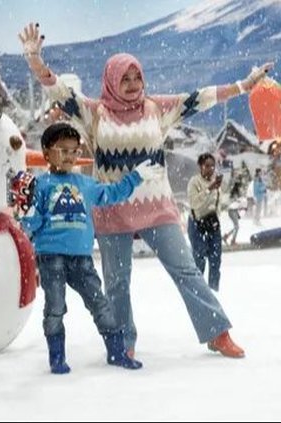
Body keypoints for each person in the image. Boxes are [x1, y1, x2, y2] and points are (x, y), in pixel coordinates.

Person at [18, 22, 274, 359]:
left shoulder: (157, 107)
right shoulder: (95, 113)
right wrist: (36, 60)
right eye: (124, 78)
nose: (132, 84)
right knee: (118, 283)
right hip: (112, 208)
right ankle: (123, 342)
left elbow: (201, 98)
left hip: (157, 207)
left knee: (186, 269)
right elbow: (58, 92)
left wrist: (244, 85)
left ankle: (217, 332)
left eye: (136, 77)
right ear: (111, 80)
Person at [14, 122, 163, 374]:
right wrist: (25, 210)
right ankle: (57, 356)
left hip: (82, 258)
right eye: (63, 150)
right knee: (55, 307)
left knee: (100, 305)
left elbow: (112, 193)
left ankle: (116, 351)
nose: (70, 156)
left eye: (74, 151)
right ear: (47, 153)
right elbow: (32, 223)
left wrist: (136, 176)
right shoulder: (40, 185)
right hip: (51, 256)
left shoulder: (85, 184)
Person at [187, 154, 227, 292]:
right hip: (197, 223)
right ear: (200, 166)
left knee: (216, 260)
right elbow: (194, 203)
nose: (210, 169)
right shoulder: (194, 182)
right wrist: (209, 189)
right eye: (207, 165)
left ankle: (214, 291)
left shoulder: (216, 182)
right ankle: (198, 292)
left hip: (212, 223)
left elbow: (219, 203)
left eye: (212, 166)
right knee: (199, 260)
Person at [223, 181, 245, 246]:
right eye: (241, 187)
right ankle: (233, 241)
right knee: (237, 226)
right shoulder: (235, 194)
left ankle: (226, 236)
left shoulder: (236, 193)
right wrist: (241, 201)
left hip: (234, 211)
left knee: (236, 227)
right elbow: (237, 202)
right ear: (238, 187)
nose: (242, 189)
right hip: (232, 211)